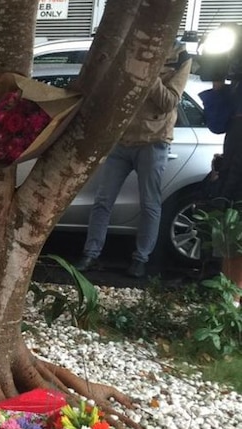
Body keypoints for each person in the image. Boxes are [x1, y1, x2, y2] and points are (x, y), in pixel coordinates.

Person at [75, 42, 192, 278]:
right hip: (121, 138)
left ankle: (140, 259)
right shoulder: (136, 45)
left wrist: (149, 75)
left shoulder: (180, 56)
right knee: (102, 201)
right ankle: (91, 253)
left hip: (153, 140)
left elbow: (169, 102)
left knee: (150, 203)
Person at [200, 74, 242, 303]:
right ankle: (231, 297)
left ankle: (232, 297)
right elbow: (217, 124)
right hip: (234, 158)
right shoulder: (236, 83)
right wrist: (218, 86)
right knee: (230, 225)